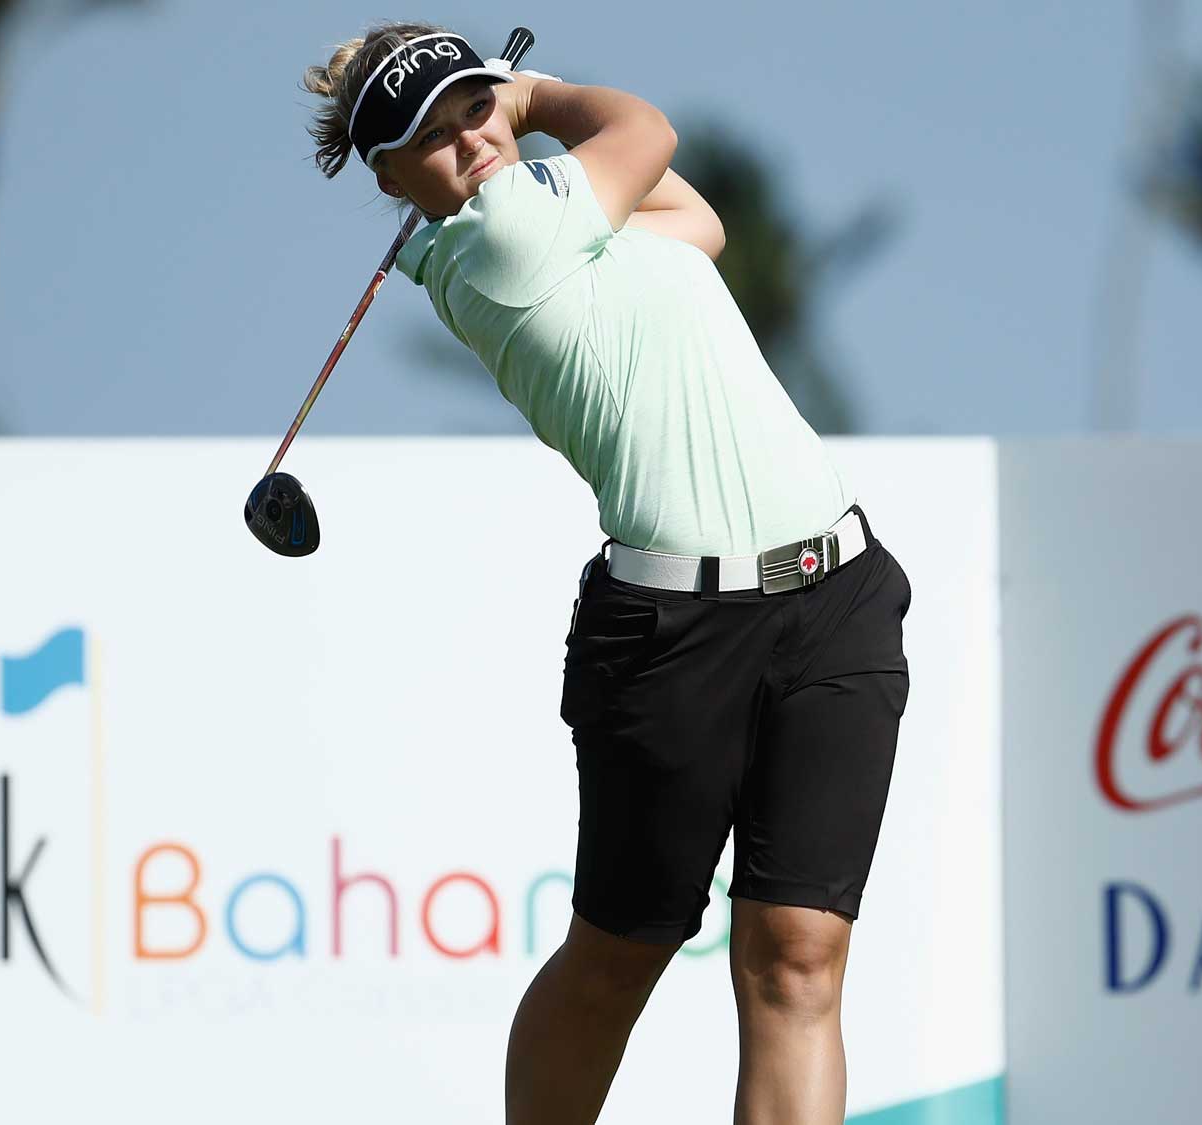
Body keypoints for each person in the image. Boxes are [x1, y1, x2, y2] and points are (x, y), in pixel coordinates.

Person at [302, 24, 913, 1125]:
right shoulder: (496, 242)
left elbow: (698, 226)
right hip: (674, 631)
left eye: (470, 110)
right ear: (389, 177)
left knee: (799, 959)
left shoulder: (561, 220)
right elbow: (643, 130)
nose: (466, 144)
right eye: (426, 142)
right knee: (618, 954)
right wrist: (527, 94)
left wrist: (499, 113)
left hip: (835, 595)